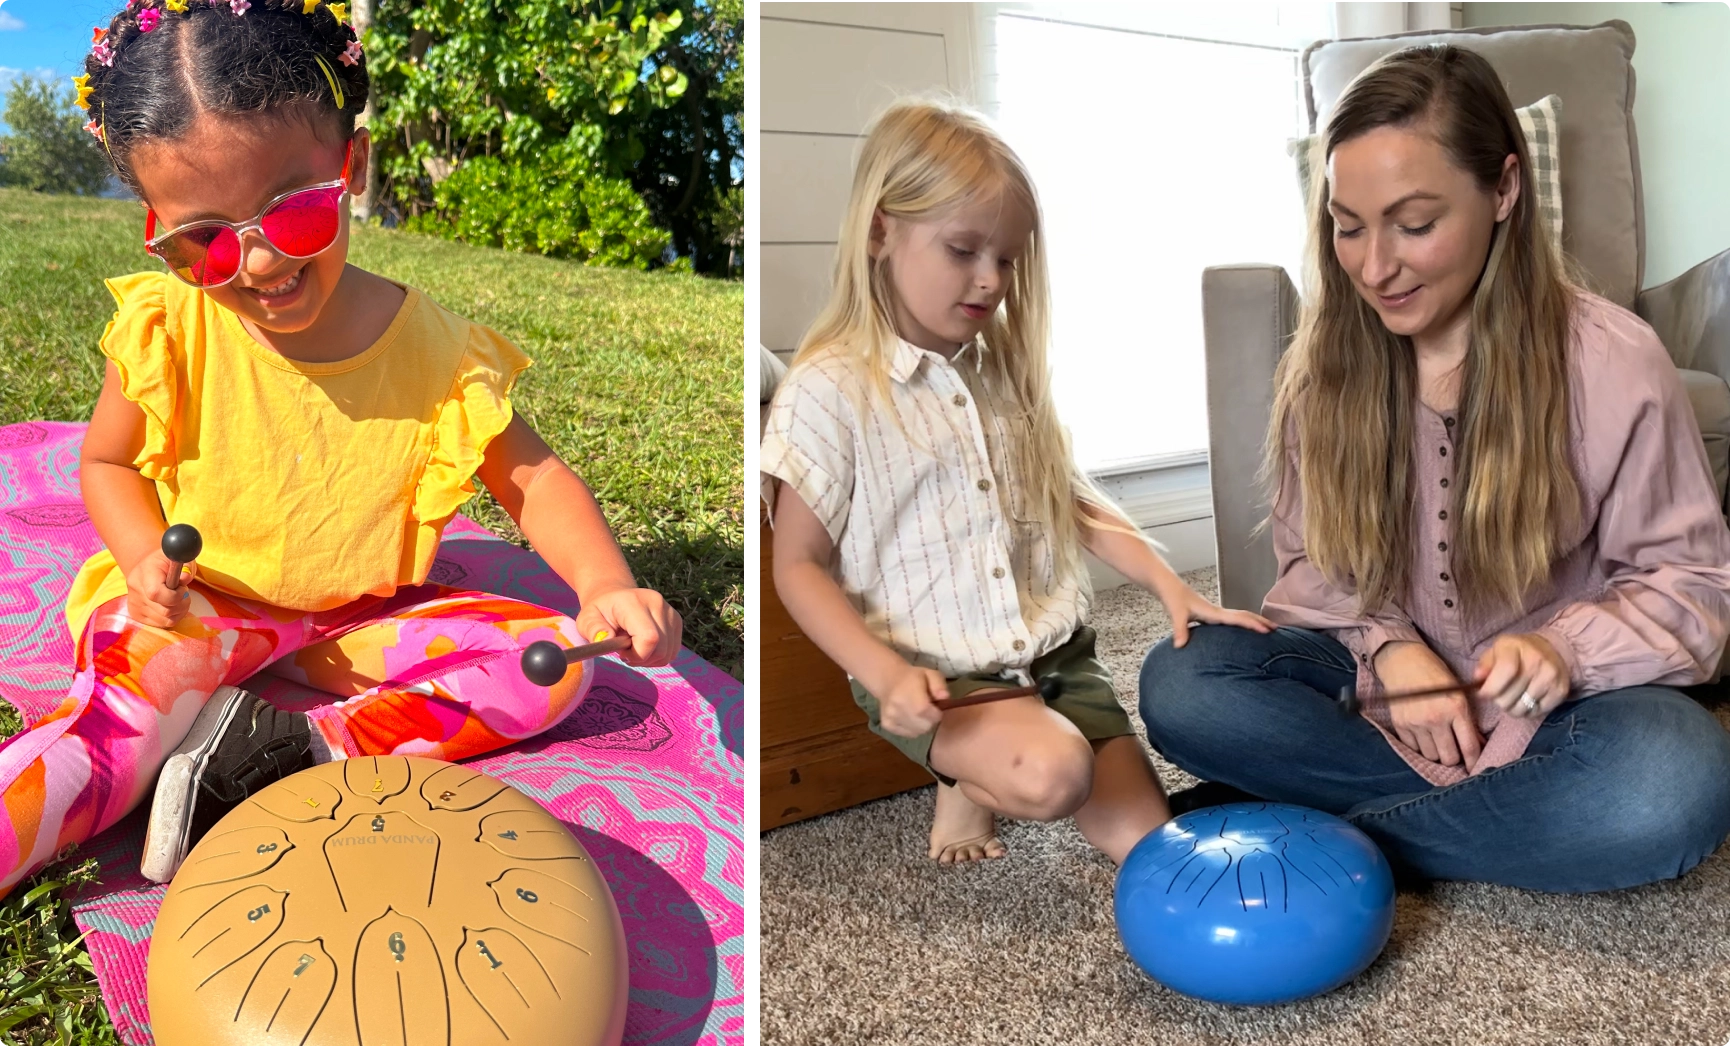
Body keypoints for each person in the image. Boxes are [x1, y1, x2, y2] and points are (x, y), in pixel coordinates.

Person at [0, 0, 683, 897]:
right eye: (202, 241)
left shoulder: (435, 350)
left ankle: (288, 754)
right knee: (109, 738)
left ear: (349, 166)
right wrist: (139, 560)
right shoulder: (170, 326)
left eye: (291, 216)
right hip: (203, 608)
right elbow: (109, 463)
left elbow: (536, 479)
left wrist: (602, 587)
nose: (255, 265)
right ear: (154, 226)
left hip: (356, 627)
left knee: (549, 664)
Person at [1139, 45, 1730, 892]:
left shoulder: (1612, 360)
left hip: (1563, 712)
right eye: (1348, 226)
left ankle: (1326, 836)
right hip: (1384, 700)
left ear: (1504, 192)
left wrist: (1561, 652)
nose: (1375, 267)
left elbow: (1695, 585)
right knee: (1184, 681)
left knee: (1671, 783)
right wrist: (1390, 651)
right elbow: (1316, 569)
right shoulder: (1322, 368)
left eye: (1414, 224)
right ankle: (1495, 822)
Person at [761, 97, 1273, 866]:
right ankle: (963, 778)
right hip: (937, 674)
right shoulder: (827, 389)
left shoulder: (1000, 371)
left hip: (1056, 661)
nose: (990, 279)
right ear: (879, 230)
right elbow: (796, 565)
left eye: (1006, 258)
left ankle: (1007, 749)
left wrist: (1170, 583)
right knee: (1054, 775)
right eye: (963, 250)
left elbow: (1068, 499)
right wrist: (884, 674)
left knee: (1146, 844)